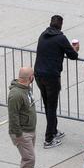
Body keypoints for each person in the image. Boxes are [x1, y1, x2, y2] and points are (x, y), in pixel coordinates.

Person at [33, 14, 79, 148]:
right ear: (61, 25)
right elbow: (73, 55)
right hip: (51, 77)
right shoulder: (60, 38)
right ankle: (49, 139)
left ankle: (53, 130)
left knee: (48, 104)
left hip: (39, 75)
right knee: (51, 106)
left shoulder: (43, 35)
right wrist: (75, 49)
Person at [8, 66, 38, 168]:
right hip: (22, 133)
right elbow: (13, 116)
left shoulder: (26, 89)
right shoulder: (16, 95)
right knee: (29, 159)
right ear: (29, 78)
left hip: (30, 130)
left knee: (29, 159)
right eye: (33, 75)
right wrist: (18, 135)